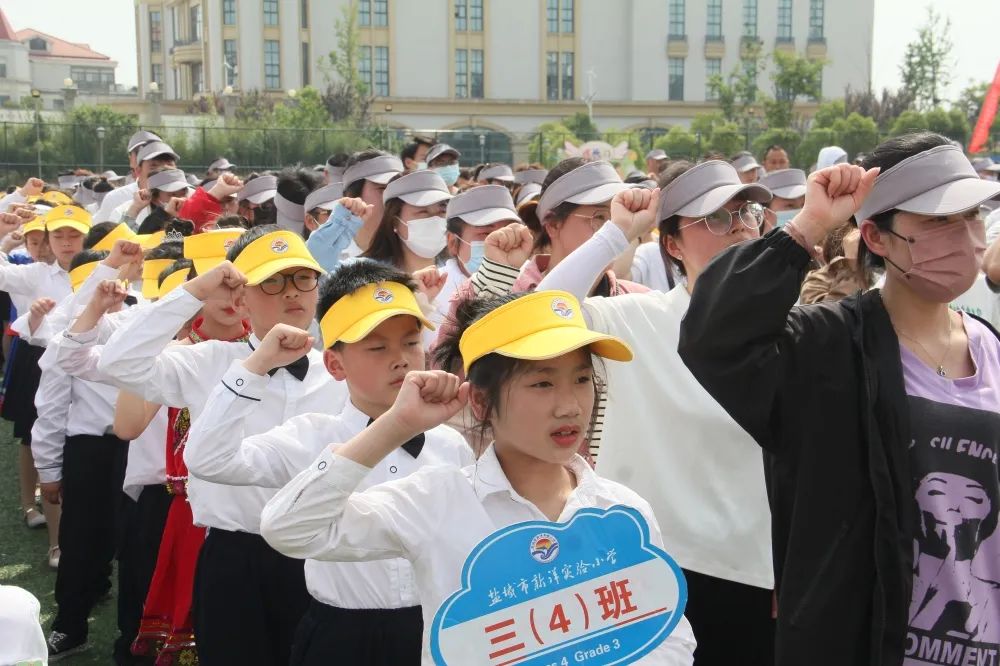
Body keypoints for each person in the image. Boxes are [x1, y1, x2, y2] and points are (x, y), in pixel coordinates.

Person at [676, 132, 1000, 665]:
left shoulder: (989, 345)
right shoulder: (826, 349)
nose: (963, 238)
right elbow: (713, 337)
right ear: (876, 236)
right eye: (937, 221)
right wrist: (805, 228)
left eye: (970, 218)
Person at [259, 290, 697, 664]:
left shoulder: (621, 510)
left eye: (582, 379)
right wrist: (395, 426)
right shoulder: (437, 502)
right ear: (483, 403)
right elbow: (289, 528)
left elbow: (668, 633)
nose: (571, 406)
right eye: (542, 384)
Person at [535, 159, 776, 665]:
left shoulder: (793, 327)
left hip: (755, 573)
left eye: (746, 214)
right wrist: (618, 230)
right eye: (714, 219)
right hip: (642, 563)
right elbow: (543, 308)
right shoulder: (634, 318)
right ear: (671, 244)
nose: (736, 228)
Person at [75, 226, 346, 665]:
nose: (291, 293)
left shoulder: (339, 370)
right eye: (272, 281)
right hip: (234, 553)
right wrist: (194, 291)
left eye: (303, 279)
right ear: (240, 298)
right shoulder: (209, 361)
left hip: (320, 549)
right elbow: (118, 361)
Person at [185, 260, 473, 664]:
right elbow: (207, 459)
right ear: (335, 364)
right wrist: (256, 366)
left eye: (410, 343)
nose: (401, 359)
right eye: (377, 347)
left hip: (434, 627)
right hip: (343, 633)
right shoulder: (311, 436)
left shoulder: (448, 443)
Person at [361, 171, 452, 274]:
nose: (435, 219)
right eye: (423, 211)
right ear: (395, 221)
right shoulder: (365, 273)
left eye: (442, 211)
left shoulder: (461, 274)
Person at [93, 131, 162, 223]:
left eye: (154, 153)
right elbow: (101, 234)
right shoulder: (114, 198)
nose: (145, 157)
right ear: (131, 159)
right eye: (139, 152)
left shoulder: (183, 196)